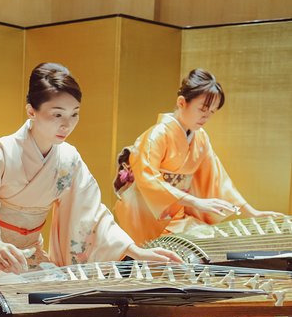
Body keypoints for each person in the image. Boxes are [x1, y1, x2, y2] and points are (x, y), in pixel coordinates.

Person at [0, 63, 181, 287]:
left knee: (63, 293)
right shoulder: (0, 151)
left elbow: (91, 213)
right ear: (31, 110)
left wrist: (135, 251)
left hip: (31, 252)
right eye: (57, 114)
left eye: (74, 114)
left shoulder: (68, 158)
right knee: (11, 298)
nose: (67, 124)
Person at [113, 68, 282, 245]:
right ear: (182, 102)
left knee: (206, 242)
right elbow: (148, 179)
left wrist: (251, 212)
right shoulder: (157, 135)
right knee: (150, 262)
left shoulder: (200, 138)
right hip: (142, 211)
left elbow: (218, 179)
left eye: (212, 112)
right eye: (203, 109)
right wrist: (195, 202)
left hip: (174, 213)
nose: (206, 117)